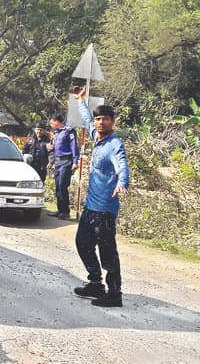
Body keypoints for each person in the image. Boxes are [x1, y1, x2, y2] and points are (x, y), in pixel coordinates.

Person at [72, 86, 130, 308]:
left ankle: (115, 293)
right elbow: (86, 118)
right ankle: (95, 283)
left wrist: (123, 182)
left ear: (113, 121)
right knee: (82, 243)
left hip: (105, 210)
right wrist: (80, 100)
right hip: (91, 208)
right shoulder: (96, 136)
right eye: (98, 119)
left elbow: (122, 164)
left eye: (105, 119)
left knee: (107, 252)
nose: (100, 122)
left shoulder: (115, 144)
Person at [48, 113, 79, 219]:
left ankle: (65, 212)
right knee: (57, 187)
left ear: (57, 122)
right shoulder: (55, 133)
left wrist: (75, 161)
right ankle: (60, 210)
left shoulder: (69, 131)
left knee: (62, 185)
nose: (51, 124)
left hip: (66, 162)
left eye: (52, 122)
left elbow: (73, 145)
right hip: (57, 162)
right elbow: (54, 148)